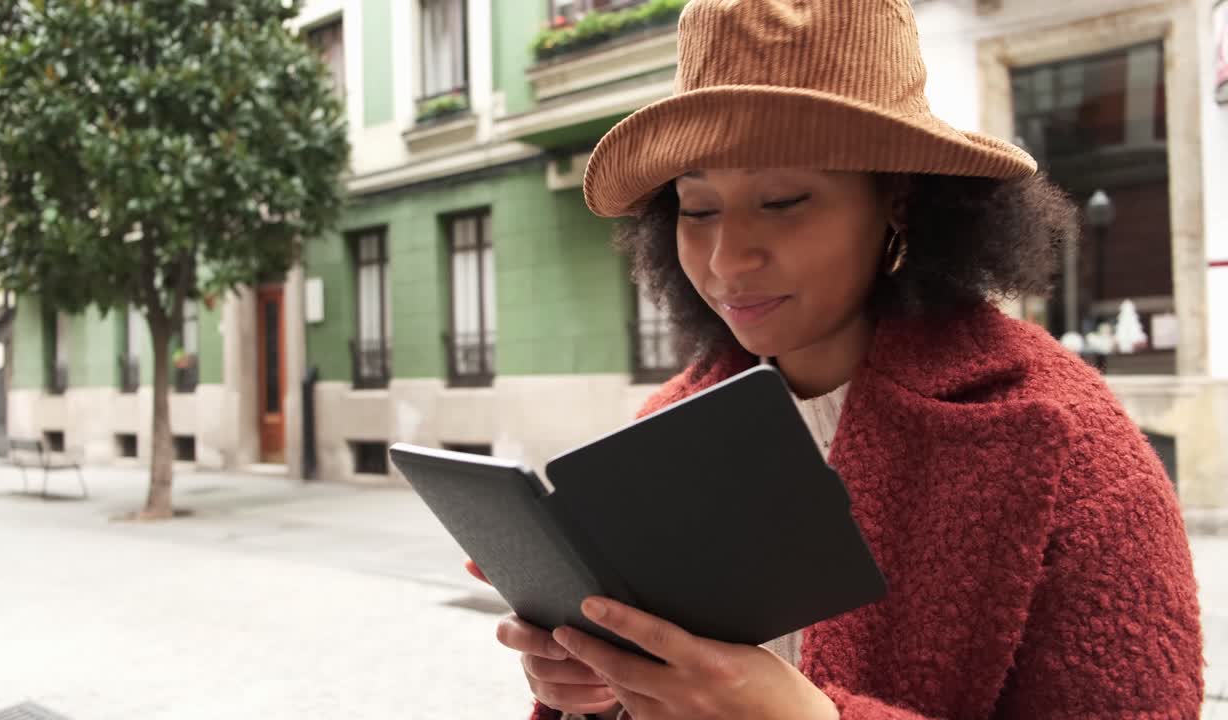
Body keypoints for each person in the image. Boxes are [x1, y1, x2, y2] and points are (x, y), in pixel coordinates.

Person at [466, 1, 1204, 718]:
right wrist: (600, 686)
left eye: (783, 200)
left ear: (900, 201)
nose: (728, 258)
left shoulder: (1064, 444)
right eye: (697, 208)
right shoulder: (669, 422)